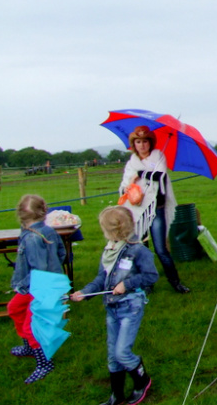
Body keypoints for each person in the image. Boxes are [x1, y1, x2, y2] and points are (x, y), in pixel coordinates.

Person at [71, 206, 159, 405]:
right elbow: (101, 278)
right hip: (112, 308)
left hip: (131, 307)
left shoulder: (139, 251)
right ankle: (116, 395)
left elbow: (151, 275)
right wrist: (85, 292)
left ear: (113, 230)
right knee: (113, 355)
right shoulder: (109, 249)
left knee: (122, 353)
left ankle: (142, 380)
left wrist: (127, 284)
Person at [120, 126, 189, 293]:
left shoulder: (158, 156)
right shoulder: (131, 163)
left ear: (150, 143)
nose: (142, 145)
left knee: (161, 249)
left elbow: (160, 175)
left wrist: (141, 174)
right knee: (141, 249)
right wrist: (128, 188)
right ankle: (145, 283)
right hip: (138, 211)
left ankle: (175, 283)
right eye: (138, 142)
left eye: (145, 141)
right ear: (134, 144)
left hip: (156, 208)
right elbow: (124, 185)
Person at [8, 194, 66, 384]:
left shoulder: (33, 237)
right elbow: (62, 253)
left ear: (20, 215)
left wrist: (23, 285)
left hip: (40, 286)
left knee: (32, 326)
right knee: (15, 308)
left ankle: (45, 363)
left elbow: (39, 269)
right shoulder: (45, 231)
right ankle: (28, 347)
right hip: (34, 285)